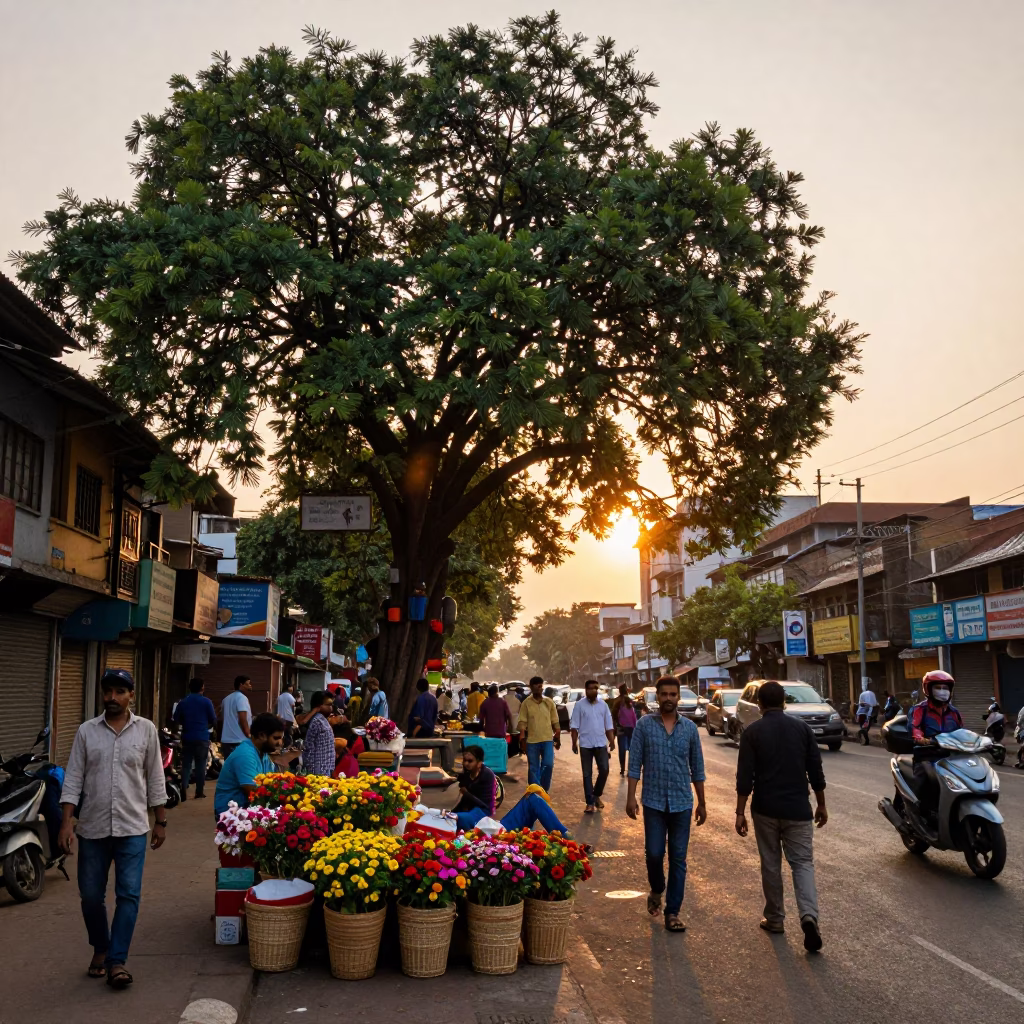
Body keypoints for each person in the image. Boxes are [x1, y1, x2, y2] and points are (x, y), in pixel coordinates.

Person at [58, 668, 167, 988]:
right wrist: (66, 822)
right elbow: (73, 778)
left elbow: (155, 778)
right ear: (102, 694)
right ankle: (101, 947)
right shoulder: (86, 732)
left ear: (131, 695)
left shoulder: (146, 730)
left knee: (128, 895)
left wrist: (160, 821)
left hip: (133, 827)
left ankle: (117, 961)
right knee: (90, 896)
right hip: (91, 828)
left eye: (120, 691)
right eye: (108, 691)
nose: (113, 698)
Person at [735, 680, 827, 953]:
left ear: (759, 704)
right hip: (798, 809)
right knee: (802, 864)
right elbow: (816, 772)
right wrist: (821, 805)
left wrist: (740, 812)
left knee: (771, 863)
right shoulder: (802, 730)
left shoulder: (752, 732)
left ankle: (775, 918)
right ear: (784, 702)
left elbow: (744, 778)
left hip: (765, 809)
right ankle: (808, 915)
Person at [626, 675, 706, 933]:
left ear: (678, 697)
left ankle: (672, 912)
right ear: (656, 697)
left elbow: (698, 769)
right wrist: (630, 797)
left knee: (679, 858)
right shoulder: (644, 726)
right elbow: (634, 763)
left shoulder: (690, 729)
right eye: (664, 695)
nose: (668, 699)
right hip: (653, 803)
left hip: (682, 802)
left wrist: (702, 803)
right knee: (655, 853)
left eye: (673, 695)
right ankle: (656, 889)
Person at [453, 745, 570, 834]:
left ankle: (563, 835)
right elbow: (461, 813)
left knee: (533, 797)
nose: (466, 764)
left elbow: (485, 807)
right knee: (533, 799)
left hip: (498, 825)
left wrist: (466, 795)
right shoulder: (467, 818)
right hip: (502, 829)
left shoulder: (485, 775)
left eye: (470, 761)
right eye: (465, 760)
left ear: (479, 763)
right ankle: (564, 836)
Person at [909, 670, 963, 818]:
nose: (942, 691)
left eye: (945, 688)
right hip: (927, 756)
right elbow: (915, 728)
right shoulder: (920, 710)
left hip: (950, 757)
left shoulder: (954, 712)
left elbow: (962, 732)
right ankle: (919, 816)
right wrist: (921, 738)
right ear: (928, 689)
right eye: (938, 688)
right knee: (924, 785)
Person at [214, 713, 286, 816]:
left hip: (246, 808)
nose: (280, 743)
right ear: (262, 735)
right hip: (229, 813)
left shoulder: (263, 753)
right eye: (276, 738)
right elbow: (254, 792)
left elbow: (272, 784)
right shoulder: (245, 755)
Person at [570, 679, 615, 813]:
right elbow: (574, 726)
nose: (593, 691)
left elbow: (608, 725)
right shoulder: (579, 705)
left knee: (605, 770)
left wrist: (612, 741)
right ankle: (589, 803)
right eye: (590, 689)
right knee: (587, 774)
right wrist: (574, 742)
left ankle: (596, 795)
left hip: (601, 743)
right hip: (585, 744)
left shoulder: (603, 705)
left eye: (595, 688)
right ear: (586, 690)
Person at [173, 677, 216, 800]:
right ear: (202, 688)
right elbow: (213, 720)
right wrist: (206, 727)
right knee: (200, 765)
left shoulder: (183, 702)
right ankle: (199, 791)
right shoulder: (207, 702)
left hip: (187, 737)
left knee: (186, 765)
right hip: (202, 737)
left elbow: (176, 719)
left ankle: (183, 788)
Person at [518, 676, 561, 791]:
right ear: (531, 687)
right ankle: (534, 792)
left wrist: (558, 735)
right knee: (533, 768)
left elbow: (555, 720)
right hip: (532, 741)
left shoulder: (549, 702)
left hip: (547, 739)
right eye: (537, 686)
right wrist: (522, 740)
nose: (540, 688)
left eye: (541, 686)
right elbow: (522, 722)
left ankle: (544, 791)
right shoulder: (526, 703)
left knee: (548, 764)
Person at [301, 691, 338, 777]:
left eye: (331, 705)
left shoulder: (323, 720)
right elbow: (309, 748)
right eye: (328, 705)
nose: (331, 708)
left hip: (325, 768)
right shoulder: (317, 721)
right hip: (317, 771)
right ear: (318, 706)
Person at [220, 675, 253, 757]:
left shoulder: (226, 699)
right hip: (239, 740)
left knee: (229, 768)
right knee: (241, 767)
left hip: (226, 740)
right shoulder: (242, 698)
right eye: (248, 684)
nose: (250, 686)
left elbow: (222, 717)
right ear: (241, 685)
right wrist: (248, 734)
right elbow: (242, 718)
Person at [610, 683, 637, 776]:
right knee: (631, 749)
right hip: (631, 728)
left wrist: (614, 728)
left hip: (621, 728)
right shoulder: (630, 701)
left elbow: (613, 715)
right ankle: (630, 769)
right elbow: (634, 715)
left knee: (622, 750)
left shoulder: (617, 701)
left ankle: (622, 769)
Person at [276, 680, 297, 748]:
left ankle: (282, 745)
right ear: (289, 688)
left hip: (280, 717)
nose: (292, 689)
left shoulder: (280, 696)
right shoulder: (289, 696)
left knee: (282, 731)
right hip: (288, 717)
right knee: (289, 732)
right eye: (291, 687)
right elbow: (293, 705)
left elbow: (276, 705)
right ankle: (288, 746)